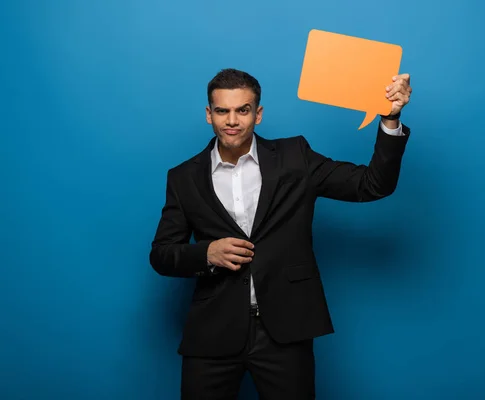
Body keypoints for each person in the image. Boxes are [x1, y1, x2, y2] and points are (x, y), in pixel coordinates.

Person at [149, 68, 412, 399]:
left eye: (242, 110)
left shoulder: (295, 157)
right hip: (213, 331)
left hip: (285, 329)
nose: (232, 120)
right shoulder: (183, 177)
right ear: (208, 114)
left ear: (258, 114)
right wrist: (206, 253)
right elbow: (161, 254)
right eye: (222, 111)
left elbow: (372, 185)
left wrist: (390, 121)